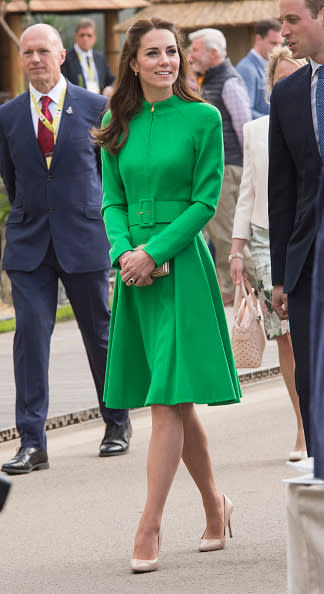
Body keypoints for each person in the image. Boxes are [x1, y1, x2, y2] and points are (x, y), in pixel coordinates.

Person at [94, 17, 241, 573]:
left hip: (179, 267)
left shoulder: (203, 118)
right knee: (174, 398)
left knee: (165, 402)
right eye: (153, 53)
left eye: (172, 51)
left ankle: (149, 524)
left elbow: (205, 202)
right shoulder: (116, 121)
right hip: (134, 272)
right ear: (133, 62)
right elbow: (111, 200)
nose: (166, 60)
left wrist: (154, 253)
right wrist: (124, 254)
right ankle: (214, 504)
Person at [0, 24, 131, 475]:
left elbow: (111, 180)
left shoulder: (98, 108)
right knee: (29, 341)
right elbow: (13, 181)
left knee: (99, 335)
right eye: (27, 52)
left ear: (61, 57)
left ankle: (116, 423)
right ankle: (32, 443)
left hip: (84, 239)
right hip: (28, 244)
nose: (35, 58)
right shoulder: (8, 115)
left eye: (43, 51)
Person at [230, 46, 307, 461]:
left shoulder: (315, 120)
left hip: (307, 233)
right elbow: (248, 192)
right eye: (280, 80)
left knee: (310, 333)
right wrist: (236, 249)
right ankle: (302, 428)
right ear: (271, 86)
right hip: (264, 240)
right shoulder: (255, 130)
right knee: (287, 337)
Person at [268, 0, 324, 455]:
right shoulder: (286, 95)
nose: (282, 31)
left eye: (292, 20)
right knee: (312, 378)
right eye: (281, 21)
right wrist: (282, 275)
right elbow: (281, 190)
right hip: (310, 260)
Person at [188, 28, 254, 306]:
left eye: (195, 50)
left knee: (228, 234)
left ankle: (256, 290)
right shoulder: (207, 80)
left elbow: (244, 128)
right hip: (219, 169)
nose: (190, 56)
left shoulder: (228, 82)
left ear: (213, 53)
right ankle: (233, 290)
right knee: (219, 233)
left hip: (229, 168)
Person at [236, 19, 282, 119]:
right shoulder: (246, 69)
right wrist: (276, 121)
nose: (278, 48)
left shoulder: (271, 65)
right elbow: (246, 112)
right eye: (273, 43)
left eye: (280, 43)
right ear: (258, 39)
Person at [61, 18, 115, 97]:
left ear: (94, 37)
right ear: (75, 36)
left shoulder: (100, 58)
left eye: (89, 35)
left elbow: (112, 80)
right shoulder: (66, 57)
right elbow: (63, 83)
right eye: (82, 35)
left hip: (99, 101)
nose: (85, 38)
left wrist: (110, 87)